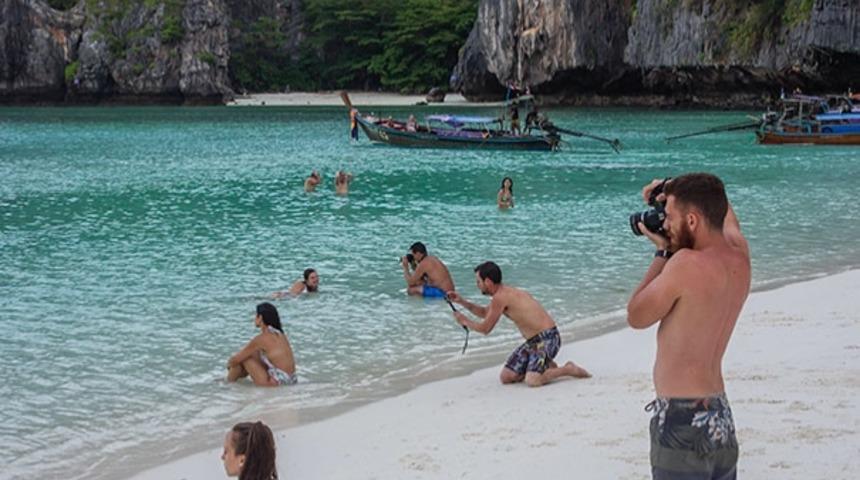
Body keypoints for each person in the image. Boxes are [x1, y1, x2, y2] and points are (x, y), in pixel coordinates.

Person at [627, 173, 750, 480]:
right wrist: (668, 187)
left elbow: (637, 314)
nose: (664, 224)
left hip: (683, 419)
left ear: (692, 220)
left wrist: (663, 253)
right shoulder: (739, 254)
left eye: (669, 217)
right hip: (719, 416)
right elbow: (719, 204)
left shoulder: (684, 265)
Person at [447, 261, 590, 387]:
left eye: (478, 281)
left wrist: (464, 321)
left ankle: (568, 369)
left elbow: (485, 329)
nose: (477, 285)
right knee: (507, 376)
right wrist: (461, 302)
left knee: (533, 380)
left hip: (548, 338)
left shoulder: (500, 297)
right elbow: (485, 313)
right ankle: (545, 366)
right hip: (533, 342)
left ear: (488, 282)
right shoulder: (502, 294)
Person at [227, 302, 297, 386]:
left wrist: (230, 365)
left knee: (245, 358)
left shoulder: (261, 339)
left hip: (277, 382)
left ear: (260, 317)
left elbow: (235, 360)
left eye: (255, 315)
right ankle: (232, 381)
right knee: (254, 354)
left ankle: (227, 385)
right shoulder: (280, 335)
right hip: (291, 380)